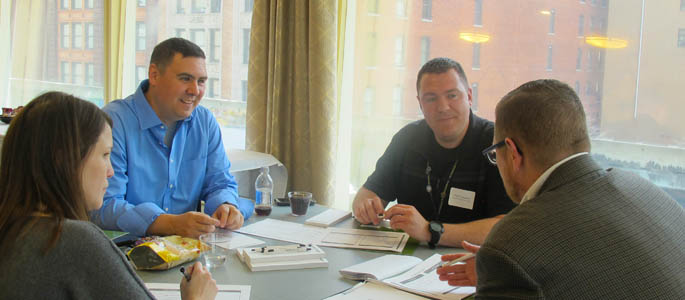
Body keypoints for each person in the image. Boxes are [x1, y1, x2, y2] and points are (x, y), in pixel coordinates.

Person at [437, 79, 685, 299]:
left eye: (495, 154)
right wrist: (502, 274)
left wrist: (507, 263)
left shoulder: (515, 241)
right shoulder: (641, 188)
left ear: (513, 153)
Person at [0, 92, 218, 299]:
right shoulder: (71, 239)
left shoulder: (14, 228)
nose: (111, 171)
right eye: (105, 155)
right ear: (63, 160)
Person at [93, 38, 251, 238]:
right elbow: (103, 205)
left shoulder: (204, 121)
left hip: (189, 250)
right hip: (129, 252)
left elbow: (220, 182)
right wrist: (169, 224)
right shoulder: (114, 121)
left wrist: (226, 205)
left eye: (201, 81)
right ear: (154, 75)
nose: (195, 90)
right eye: (185, 78)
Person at [353, 57, 515, 248]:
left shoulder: (496, 145)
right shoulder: (407, 139)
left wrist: (431, 231)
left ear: (469, 96)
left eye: (452, 96)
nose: (443, 107)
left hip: (470, 263)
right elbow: (367, 194)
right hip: (407, 261)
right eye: (431, 98)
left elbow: (506, 227)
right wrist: (366, 207)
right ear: (420, 103)